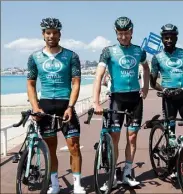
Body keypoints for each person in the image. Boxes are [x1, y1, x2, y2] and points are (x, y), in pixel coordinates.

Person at [27, 17, 85, 194]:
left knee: (74, 145)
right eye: (48, 33)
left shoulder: (71, 56)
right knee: (50, 147)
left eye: (54, 32)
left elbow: (76, 82)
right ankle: (55, 184)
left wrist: (70, 106)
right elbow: (30, 84)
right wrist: (36, 107)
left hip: (65, 105)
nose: (51, 35)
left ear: (60, 34)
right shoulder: (34, 57)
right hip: (45, 106)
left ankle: (77, 184)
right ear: (43, 35)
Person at [92, 16, 150, 189]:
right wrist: (96, 102)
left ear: (132, 32)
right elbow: (98, 76)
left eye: (126, 33)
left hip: (135, 99)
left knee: (132, 137)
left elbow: (146, 68)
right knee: (114, 138)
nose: (123, 36)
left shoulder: (139, 51)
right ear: (116, 34)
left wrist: (145, 87)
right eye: (120, 33)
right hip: (117, 99)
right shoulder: (108, 51)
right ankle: (111, 176)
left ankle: (126, 173)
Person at [150, 23, 183, 178]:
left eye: (172, 37)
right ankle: (171, 167)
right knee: (170, 135)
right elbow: (153, 82)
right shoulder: (157, 58)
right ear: (162, 39)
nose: (169, 40)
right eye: (166, 37)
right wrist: (163, 89)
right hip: (168, 99)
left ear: (176, 38)